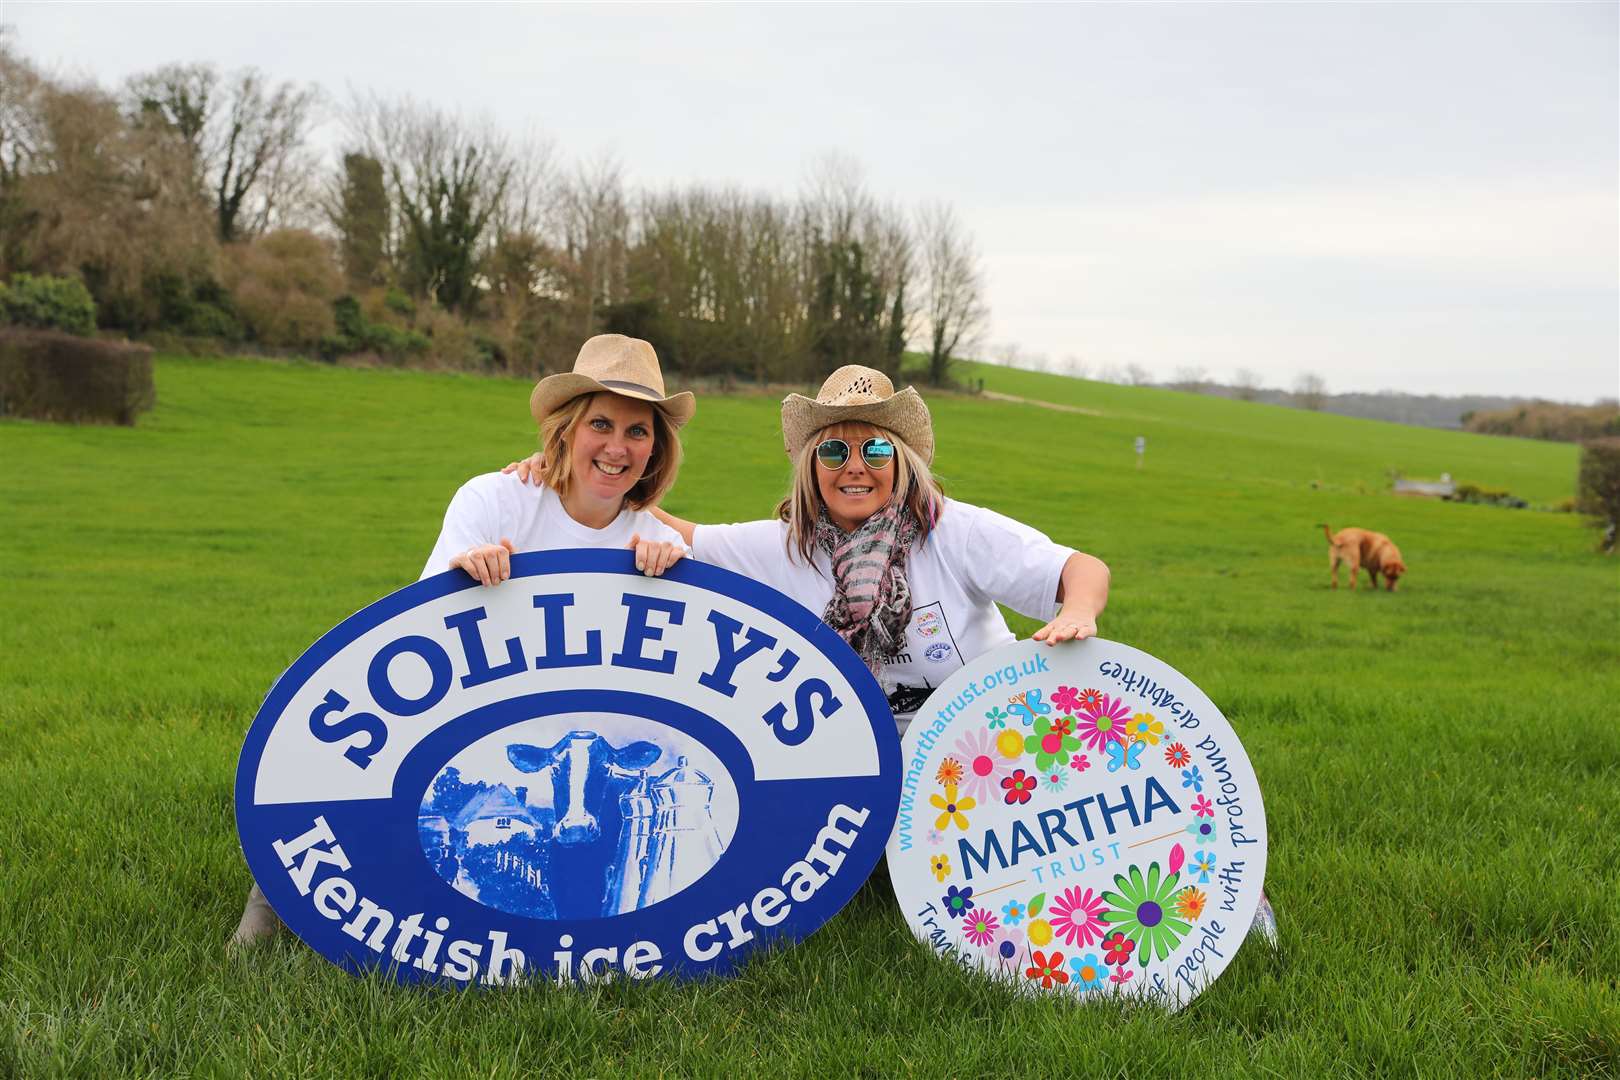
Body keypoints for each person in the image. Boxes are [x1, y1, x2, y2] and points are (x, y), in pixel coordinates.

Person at [230, 334, 692, 947]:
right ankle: (275, 893)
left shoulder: (651, 540)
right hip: (475, 718)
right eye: (600, 424)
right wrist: (467, 574)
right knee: (367, 763)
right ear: (565, 431)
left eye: (638, 431)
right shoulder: (496, 499)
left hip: (580, 751)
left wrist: (672, 558)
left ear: (656, 446)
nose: (617, 447)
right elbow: (416, 635)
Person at [511, 364, 1109, 733]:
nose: (855, 468)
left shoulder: (949, 531)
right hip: (871, 767)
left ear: (900, 463)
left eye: (875, 451)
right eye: (833, 452)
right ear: (810, 466)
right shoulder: (783, 547)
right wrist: (575, 472)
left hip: (986, 745)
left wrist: (1077, 612)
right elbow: (677, 531)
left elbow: (1077, 570)